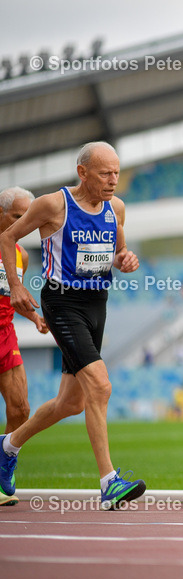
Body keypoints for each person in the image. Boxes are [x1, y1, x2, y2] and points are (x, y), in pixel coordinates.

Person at [0, 143, 146, 509]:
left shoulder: (116, 209)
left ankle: (7, 446)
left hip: (98, 304)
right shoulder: (53, 205)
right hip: (62, 302)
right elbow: (7, 237)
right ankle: (110, 483)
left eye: (116, 172)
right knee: (100, 384)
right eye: (104, 173)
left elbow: (118, 253)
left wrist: (125, 260)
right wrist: (16, 286)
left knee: (71, 402)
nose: (113, 181)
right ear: (83, 173)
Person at [0, 187, 49, 506]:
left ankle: (3, 463)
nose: (25, 223)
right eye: (19, 217)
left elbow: (11, 294)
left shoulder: (21, 254)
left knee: (21, 409)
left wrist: (33, 317)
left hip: (5, 333)